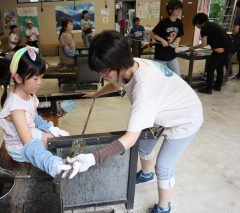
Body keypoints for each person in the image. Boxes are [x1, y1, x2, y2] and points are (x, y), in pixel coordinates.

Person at [66, 31, 203, 213]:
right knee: (145, 147)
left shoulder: (144, 90)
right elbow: (116, 83)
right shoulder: (129, 65)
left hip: (185, 118)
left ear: (119, 64)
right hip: (162, 109)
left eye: (105, 71)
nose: (102, 75)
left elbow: (129, 139)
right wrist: (96, 94)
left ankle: (164, 207)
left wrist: (93, 158)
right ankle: (147, 175)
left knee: (163, 166)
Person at [0, 46, 72, 177]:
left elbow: (34, 117)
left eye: (41, 77)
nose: (39, 83)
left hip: (30, 134)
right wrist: (52, 164)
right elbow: (29, 145)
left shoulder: (28, 93)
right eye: (35, 79)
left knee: (61, 140)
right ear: (19, 78)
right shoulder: (16, 109)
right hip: (21, 148)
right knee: (60, 148)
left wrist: (50, 128)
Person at [189, 13, 232, 94]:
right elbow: (210, 41)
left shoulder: (204, 28)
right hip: (228, 46)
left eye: (195, 24)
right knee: (219, 67)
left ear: (198, 22)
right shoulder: (212, 24)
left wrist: (193, 48)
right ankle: (217, 86)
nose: (196, 27)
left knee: (210, 68)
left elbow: (203, 44)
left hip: (220, 48)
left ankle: (208, 89)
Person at [150, 0, 184, 75]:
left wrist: (177, 42)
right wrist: (162, 40)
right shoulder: (163, 22)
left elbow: (179, 35)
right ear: (170, 10)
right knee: (162, 76)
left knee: (177, 75)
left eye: (180, 9)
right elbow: (152, 34)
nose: (179, 11)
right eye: (177, 9)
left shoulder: (179, 23)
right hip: (160, 56)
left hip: (172, 55)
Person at [230, 0, 240, 80]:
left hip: (238, 41)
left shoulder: (238, 16)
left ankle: (229, 73)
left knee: (227, 54)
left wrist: (231, 35)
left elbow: (236, 30)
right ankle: (239, 75)